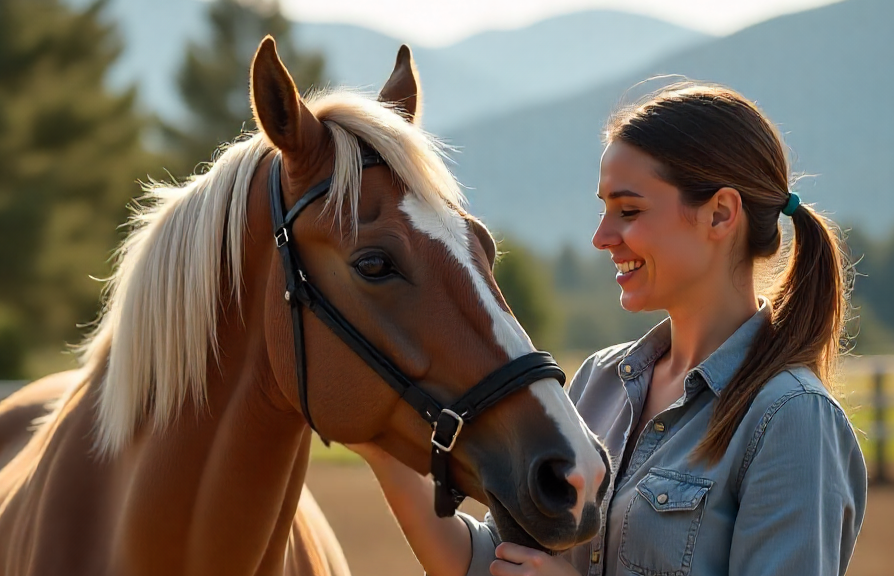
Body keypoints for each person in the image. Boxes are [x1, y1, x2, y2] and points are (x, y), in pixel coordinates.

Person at [349, 83, 867, 576]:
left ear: (720, 214)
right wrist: (374, 435)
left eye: (629, 210)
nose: (602, 237)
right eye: (604, 210)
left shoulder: (792, 419)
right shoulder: (600, 380)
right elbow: (496, 561)